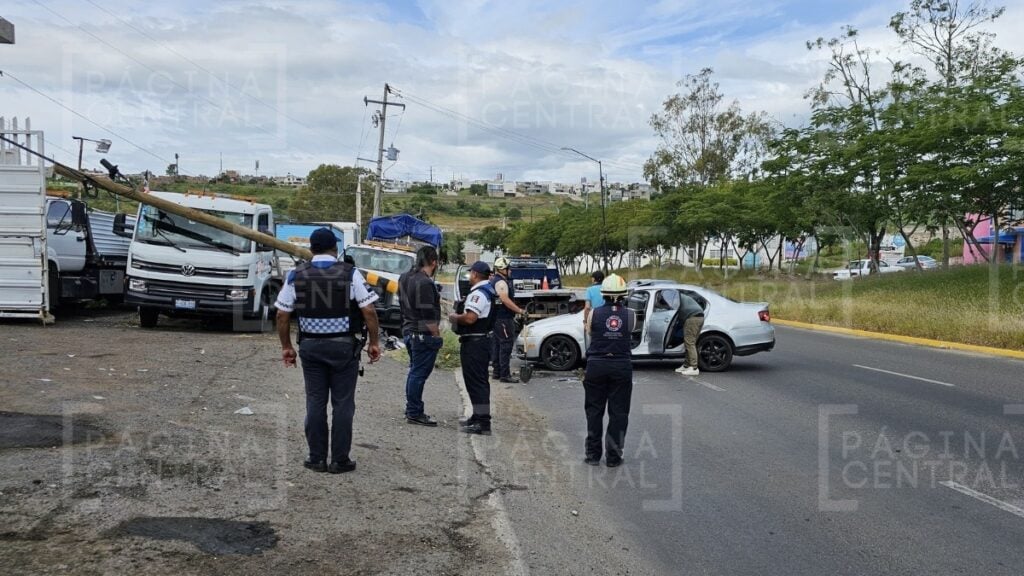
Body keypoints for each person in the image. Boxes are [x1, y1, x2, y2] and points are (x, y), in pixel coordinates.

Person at [276, 228, 382, 474]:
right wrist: (374, 342)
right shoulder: (350, 273)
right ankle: (340, 460)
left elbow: (282, 314)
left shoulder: (296, 274)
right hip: (344, 348)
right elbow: (369, 311)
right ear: (335, 248)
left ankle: (316, 458)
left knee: (315, 401)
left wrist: (286, 347)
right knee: (343, 403)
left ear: (311, 249)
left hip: (311, 347)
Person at [582, 273, 635, 467]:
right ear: (623, 295)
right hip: (621, 366)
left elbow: (590, 331)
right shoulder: (630, 314)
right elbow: (629, 332)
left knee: (594, 411)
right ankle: (613, 457)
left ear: (602, 293)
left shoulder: (594, 313)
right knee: (619, 413)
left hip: (596, 365)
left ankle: (592, 455)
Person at [449, 261, 497, 435]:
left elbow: (470, 318)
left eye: (470, 273)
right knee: (477, 382)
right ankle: (478, 417)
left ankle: (483, 423)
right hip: (480, 342)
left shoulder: (479, 294)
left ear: (475, 274)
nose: (469, 276)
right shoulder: (489, 291)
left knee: (477, 383)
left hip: (475, 344)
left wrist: (454, 317)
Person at [399, 246, 443, 427]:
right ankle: (415, 412)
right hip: (422, 334)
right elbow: (427, 313)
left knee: (414, 371)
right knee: (419, 373)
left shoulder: (404, 277)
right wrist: (436, 334)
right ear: (434, 262)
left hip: (408, 329)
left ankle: (412, 407)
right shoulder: (424, 282)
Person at [489, 256, 526, 383]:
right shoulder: (501, 283)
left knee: (497, 345)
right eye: (508, 268)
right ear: (502, 269)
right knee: (505, 346)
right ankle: (504, 375)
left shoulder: (495, 280)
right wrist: (519, 310)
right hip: (503, 319)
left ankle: (497, 372)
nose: (510, 271)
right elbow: (505, 299)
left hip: (497, 319)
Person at [674, 292, 706, 377]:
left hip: (693, 318)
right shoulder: (678, 295)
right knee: (689, 342)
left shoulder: (674, 297)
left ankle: (694, 368)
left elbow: (673, 309)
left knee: (689, 342)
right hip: (697, 317)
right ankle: (686, 365)